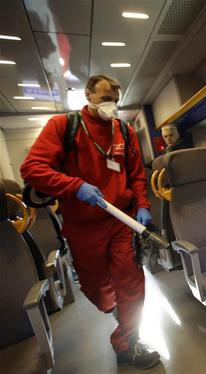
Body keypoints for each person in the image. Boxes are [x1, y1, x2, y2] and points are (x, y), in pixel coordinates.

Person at [20, 75, 160, 369]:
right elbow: (32, 168)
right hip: (84, 226)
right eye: (105, 98)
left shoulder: (123, 130)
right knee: (97, 289)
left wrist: (143, 206)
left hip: (121, 222)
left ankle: (127, 342)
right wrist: (74, 186)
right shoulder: (64, 127)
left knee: (132, 283)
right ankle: (116, 310)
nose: (111, 106)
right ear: (88, 94)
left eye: (115, 101)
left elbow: (135, 175)